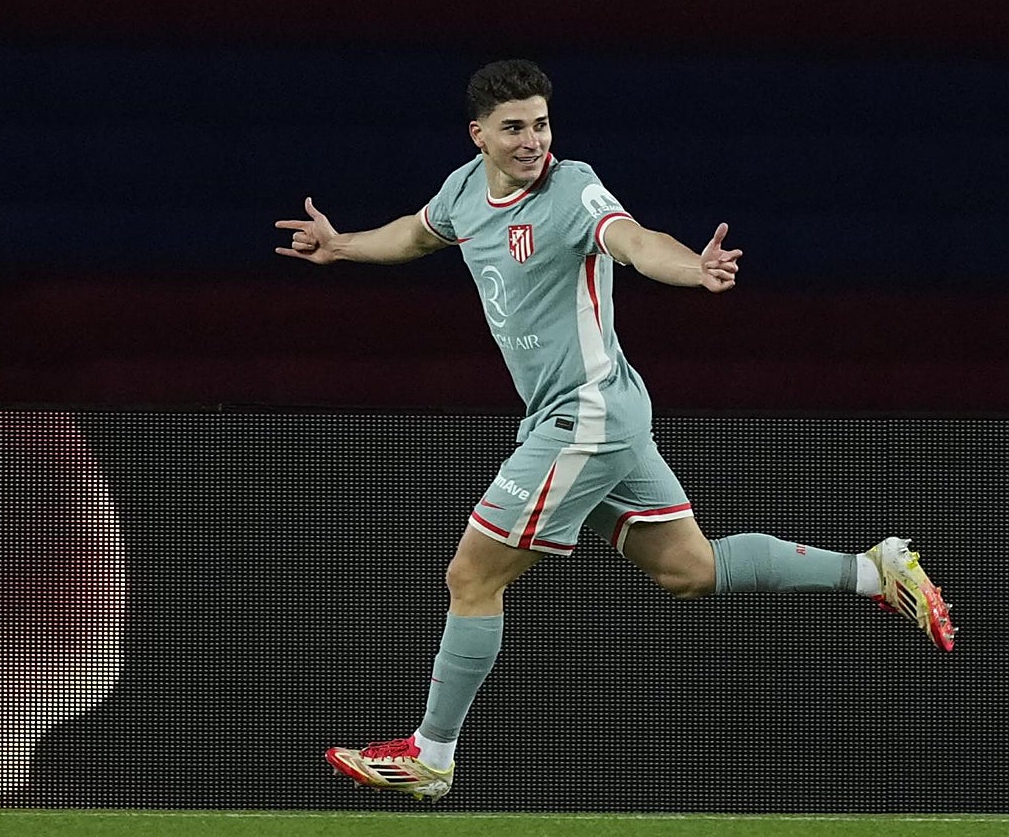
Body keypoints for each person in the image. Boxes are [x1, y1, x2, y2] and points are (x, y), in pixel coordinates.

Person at [274, 58, 955, 802]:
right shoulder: (465, 190)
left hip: (588, 412)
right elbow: (416, 234)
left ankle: (431, 755)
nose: (533, 140)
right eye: (514, 128)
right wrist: (342, 246)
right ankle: (874, 571)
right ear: (480, 136)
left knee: (471, 576)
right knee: (690, 570)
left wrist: (693, 268)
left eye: (540, 123)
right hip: (595, 412)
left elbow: (634, 239)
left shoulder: (571, 189)